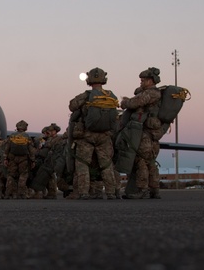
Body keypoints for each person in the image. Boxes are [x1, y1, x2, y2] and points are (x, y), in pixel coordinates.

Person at [68, 67, 119, 199]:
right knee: (106, 165)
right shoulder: (111, 96)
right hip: (105, 136)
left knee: (82, 164)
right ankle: (111, 192)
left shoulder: (86, 95)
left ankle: (84, 192)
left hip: (87, 136)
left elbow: (72, 106)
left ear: (89, 80)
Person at [120, 67, 163, 199]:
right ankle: (154, 190)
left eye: (143, 80)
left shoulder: (151, 93)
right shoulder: (154, 93)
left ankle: (142, 189)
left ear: (150, 81)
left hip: (145, 132)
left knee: (141, 160)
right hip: (152, 132)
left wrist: (125, 102)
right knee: (150, 161)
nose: (141, 83)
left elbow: (135, 103)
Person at [4, 120, 35, 199]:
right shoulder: (27, 136)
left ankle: (9, 193)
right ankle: (21, 194)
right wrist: (32, 160)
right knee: (23, 175)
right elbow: (31, 150)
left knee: (11, 175)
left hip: (12, 158)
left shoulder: (11, 136)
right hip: (23, 159)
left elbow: (7, 148)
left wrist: (5, 158)